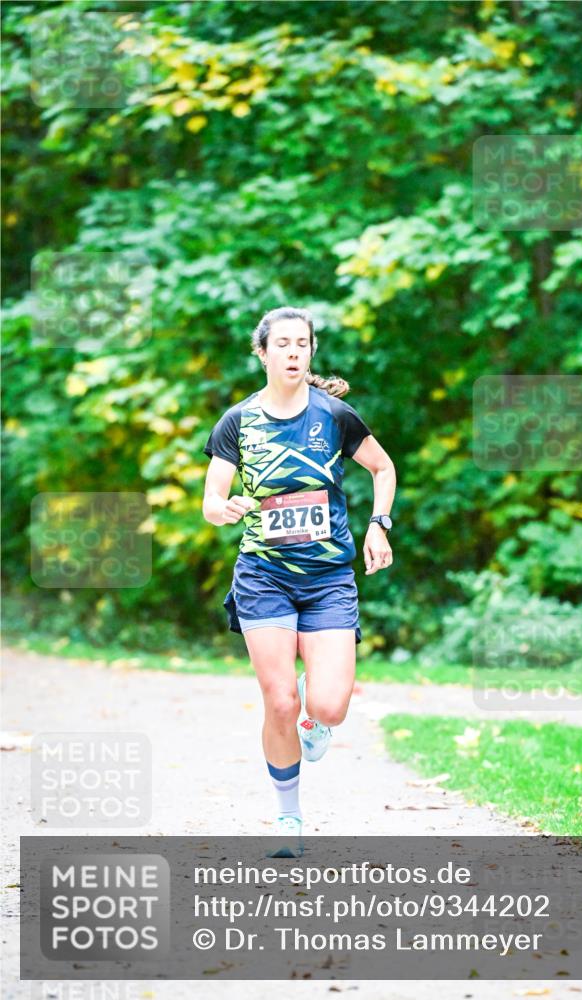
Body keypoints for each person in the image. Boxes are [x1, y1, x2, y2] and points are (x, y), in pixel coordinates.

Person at [202, 305, 396, 857]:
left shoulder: (334, 415)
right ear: (262, 352)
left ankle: (319, 709)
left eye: (302, 344)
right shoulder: (238, 422)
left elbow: (384, 469)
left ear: (311, 353)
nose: (293, 352)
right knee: (279, 700)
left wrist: (378, 525)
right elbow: (211, 502)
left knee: (328, 707)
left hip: (329, 577)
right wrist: (227, 507)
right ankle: (289, 817)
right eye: (282, 343)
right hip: (263, 575)